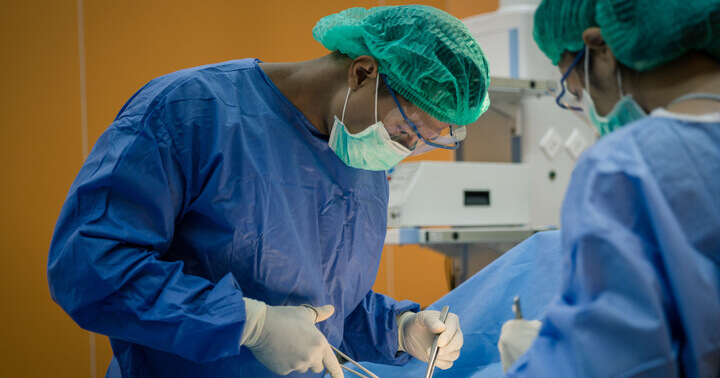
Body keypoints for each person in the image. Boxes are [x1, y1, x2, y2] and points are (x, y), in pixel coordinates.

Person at [47, 5, 490, 378]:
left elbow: (324, 306)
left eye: (426, 143)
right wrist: (250, 325)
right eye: (405, 129)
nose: (403, 150)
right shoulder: (190, 113)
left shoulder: (360, 157)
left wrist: (399, 327)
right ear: (361, 72)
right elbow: (90, 267)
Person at [498, 0, 720, 376]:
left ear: (600, 47)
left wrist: (544, 360)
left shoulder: (625, 167)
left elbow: (614, 366)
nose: (586, 109)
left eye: (574, 89)